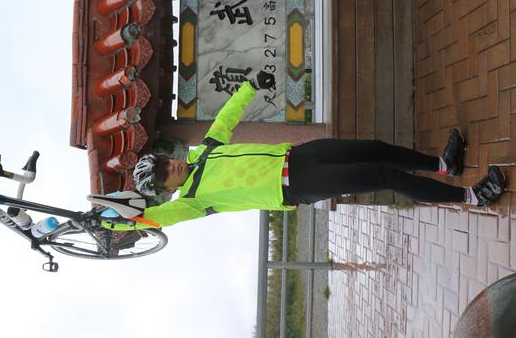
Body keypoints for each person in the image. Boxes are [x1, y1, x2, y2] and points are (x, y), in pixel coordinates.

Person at [120, 80, 506, 230]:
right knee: (382, 175)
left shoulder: (205, 152)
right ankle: (472, 197)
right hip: (296, 186)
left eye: (163, 161)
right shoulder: (191, 200)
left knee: (376, 148)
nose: (170, 165)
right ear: (165, 189)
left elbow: (224, 120)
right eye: (163, 173)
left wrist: (249, 88)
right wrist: (115, 221)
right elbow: (153, 220)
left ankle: (444, 165)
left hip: (301, 156)